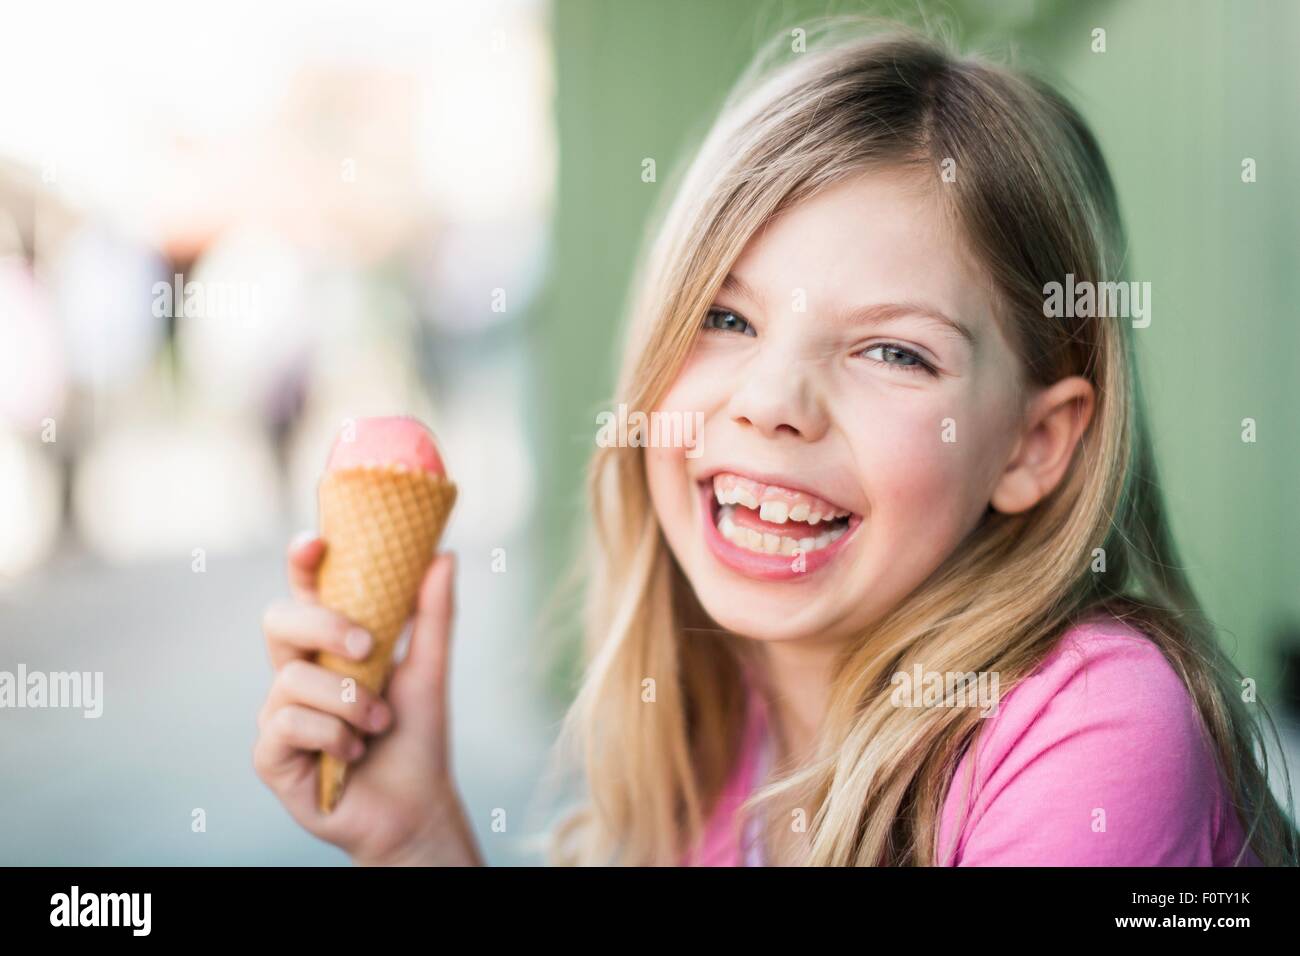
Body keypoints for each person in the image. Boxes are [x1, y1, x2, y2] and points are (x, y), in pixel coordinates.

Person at [254, 20, 1297, 866]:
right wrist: (417, 839)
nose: (771, 401)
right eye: (727, 317)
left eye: (893, 351)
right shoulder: (720, 752)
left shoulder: (1094, 726)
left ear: (1034, 443)